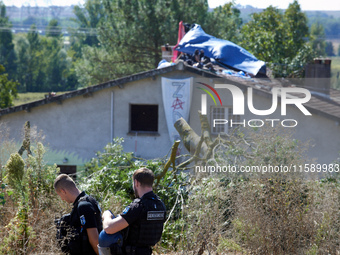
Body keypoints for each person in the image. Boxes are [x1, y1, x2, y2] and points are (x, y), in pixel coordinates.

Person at [100, 167, 166, 255]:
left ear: (136, 182)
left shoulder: (138, 205)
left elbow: (109, 228)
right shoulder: (160, 205)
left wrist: (106, 215)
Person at [54, 174, 102, 255]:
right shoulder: (89, 200)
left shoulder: (84, 206)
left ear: (63, 191)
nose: (62, 199)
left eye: (60, 195)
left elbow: (94, 240)